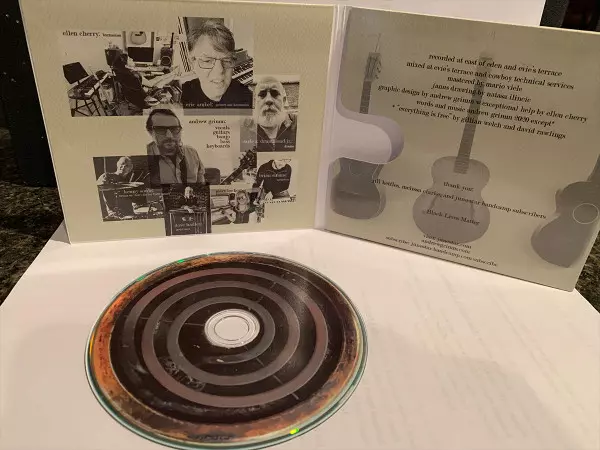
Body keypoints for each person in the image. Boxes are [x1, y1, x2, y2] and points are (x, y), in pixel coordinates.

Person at [181, 20, 252, 109]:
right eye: (207, 61)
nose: (219, 70)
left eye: (226, 60)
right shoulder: (181, 96)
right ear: (192, 63)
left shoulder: (247, 97)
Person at [146, 109, 205, 199]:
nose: (169, 135)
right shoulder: (144, 157)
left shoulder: (192, 152)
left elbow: (201, 186)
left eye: (174, 129)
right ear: (150, 132)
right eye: (161, 130)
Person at [241, 76, 298, 152]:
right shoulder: (242, 128)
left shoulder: (298, 124)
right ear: (255, 101)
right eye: (262, 94)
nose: (268, 100)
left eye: (275, 94)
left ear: (283, 100)